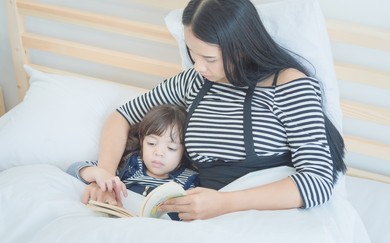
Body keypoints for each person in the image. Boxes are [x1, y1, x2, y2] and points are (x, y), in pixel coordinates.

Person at [82, 0, 346, 221]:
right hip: (203, 216)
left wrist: (224, 203)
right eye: (192, 54)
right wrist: (105, 178)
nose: (198, 67)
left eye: (209, 59)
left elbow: (318, 180)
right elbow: (122, 116)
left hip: (268, 214)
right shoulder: (193, 82)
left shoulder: (289, 84)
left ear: (242, 48)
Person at [67, 104, 199, 219]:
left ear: (183, 151)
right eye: (151, 143)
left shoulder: (189, 181)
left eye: (171, 148)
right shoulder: (129, 165)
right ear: (142, 141)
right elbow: (72, 170)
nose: (158, 153)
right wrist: (100, 174)